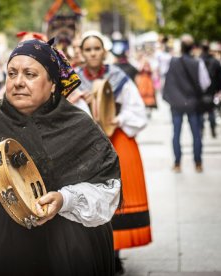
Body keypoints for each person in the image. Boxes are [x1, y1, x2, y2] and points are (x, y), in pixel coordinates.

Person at [0, 39, 122, 275]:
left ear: (53, 83)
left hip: (64, 249)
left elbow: (107, 187)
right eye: (12, 73)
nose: (18, 82)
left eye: (30, 74)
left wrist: (65, 200)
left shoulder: (80, 126)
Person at [67, 30, 151, 275]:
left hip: (116, 140)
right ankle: (91, 253)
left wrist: (117, 118)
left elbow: (137, 112)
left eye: (97, 48)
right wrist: (75, 101)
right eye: (88, 49)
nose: (93, 53)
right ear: (81, 54)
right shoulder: (73, 82)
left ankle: (114, 253)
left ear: (104, 52)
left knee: (116, 195)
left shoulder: (119, 77)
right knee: (86, 196)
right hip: (83, 145)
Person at [162, 34, 211, 173]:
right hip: (193, 103)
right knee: (196, 133)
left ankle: (177, 163)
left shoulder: (172, 61)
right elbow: (205, 83)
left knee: (176, 133)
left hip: (176, 103)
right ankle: (198, 163)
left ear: (181, 47)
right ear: (193, 47)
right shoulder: (197, 63)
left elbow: (166, 78)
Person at [199, 42, 221, 138]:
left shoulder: (198, 60)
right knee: (211, 110)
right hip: (212, 90)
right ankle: (212, 129)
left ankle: (201, 129)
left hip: (201, 91)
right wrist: (219, 89)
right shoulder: (215, 61)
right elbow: (220, 77)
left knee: (201, 111)